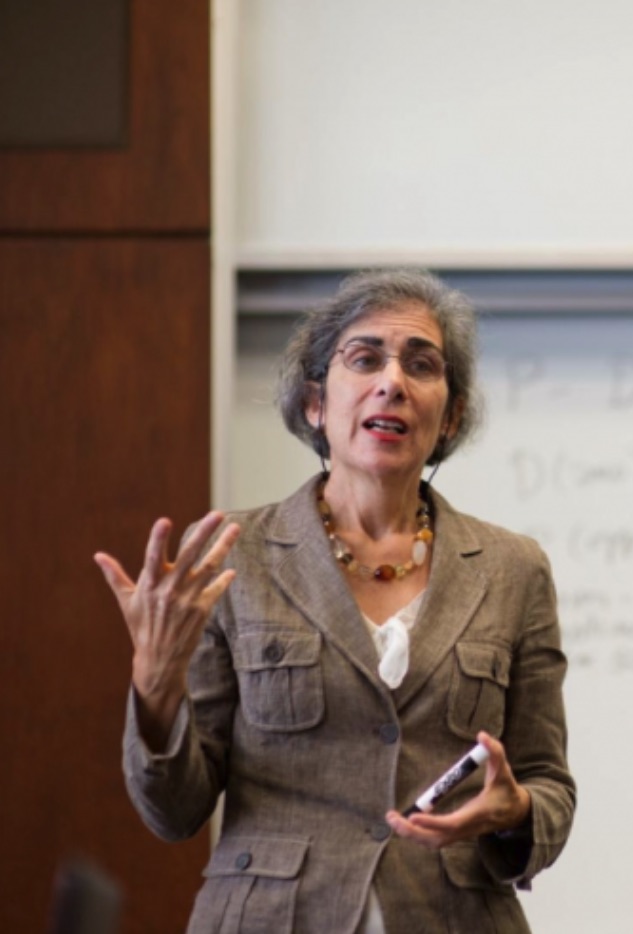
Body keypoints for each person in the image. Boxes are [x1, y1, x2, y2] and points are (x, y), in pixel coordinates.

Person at [95, 269, 575, 933]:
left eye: (421, 364)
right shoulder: (238, 556)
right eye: (365, 358)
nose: (392, 382)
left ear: (451, 416)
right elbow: (174, 814)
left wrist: (515, 809)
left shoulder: (513, 569)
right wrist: (153, 690)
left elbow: (550, 786)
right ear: (316, 402)